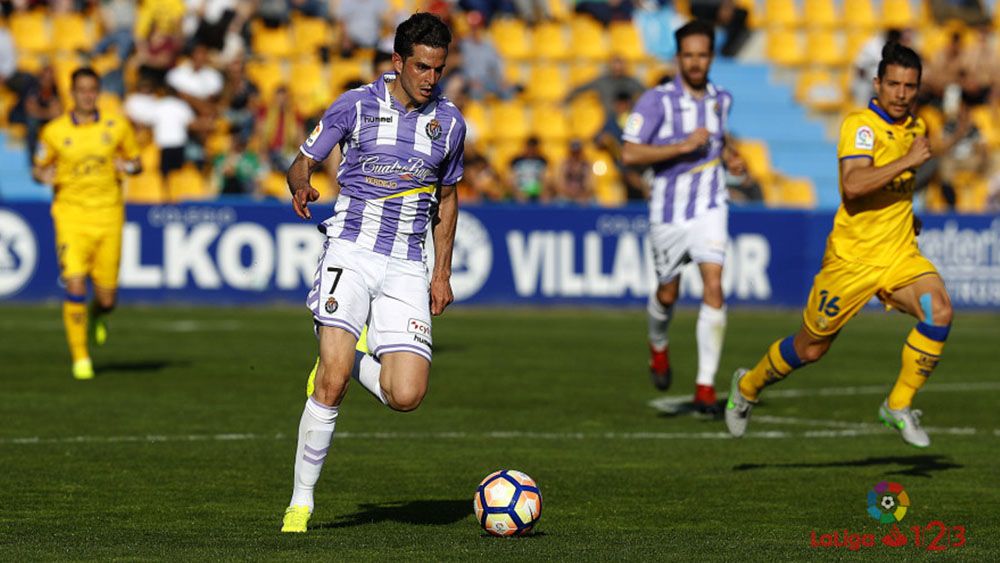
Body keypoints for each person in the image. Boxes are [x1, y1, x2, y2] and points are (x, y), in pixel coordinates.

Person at [280, 13, 465, 533]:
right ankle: (301, 503)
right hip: (351, 251)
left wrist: (441, 273)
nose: (431, 78)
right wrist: (300, 186)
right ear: (398, 62)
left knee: (405, 396)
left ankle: (342, 356)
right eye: (422, 67)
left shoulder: (449, 123)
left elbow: (448, 200)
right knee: (333, 382)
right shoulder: (355, 105)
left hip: (408, 262)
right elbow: (301, 161)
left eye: (439, 69)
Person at [725, 43, 951, 448]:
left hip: (898, 254)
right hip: (851, 261)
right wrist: (907, 163)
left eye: (910, 86)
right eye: (894, 84)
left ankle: (897, 406)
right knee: (810, 349)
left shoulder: (916, 129)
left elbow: (893, 186)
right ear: (877, 83)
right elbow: (853, 185)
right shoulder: (860, 126)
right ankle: (748, 386)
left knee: (939, 310)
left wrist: (906, 211)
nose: (901, 93)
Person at [621, 20, 747, 414]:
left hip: (711, 205)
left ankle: (705, 387)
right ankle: (658, 344)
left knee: (714, 283)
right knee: (668, 293)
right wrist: (680, 146)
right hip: (668, 211)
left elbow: (719, 140)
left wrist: (731, 156)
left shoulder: (721, 99)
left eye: (702, 55)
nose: (695, 62)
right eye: (688, 55)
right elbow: (630, 154)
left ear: (711, 57)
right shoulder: (656, 101)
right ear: (679, 58)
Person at [32, 67, 142, 380]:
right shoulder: (53, 131)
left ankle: (97, 316)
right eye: (81, 89)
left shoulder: (117, 126)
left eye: (92, 89)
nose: (87, 95)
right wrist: (43, 175)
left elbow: (137, 162)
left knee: (107, 298)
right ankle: (81, 358)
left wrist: (129, 166)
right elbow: (39, 167)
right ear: (73, 92)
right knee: (75, 282)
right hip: (71, 215)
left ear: (98, 92)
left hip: (108, 215)